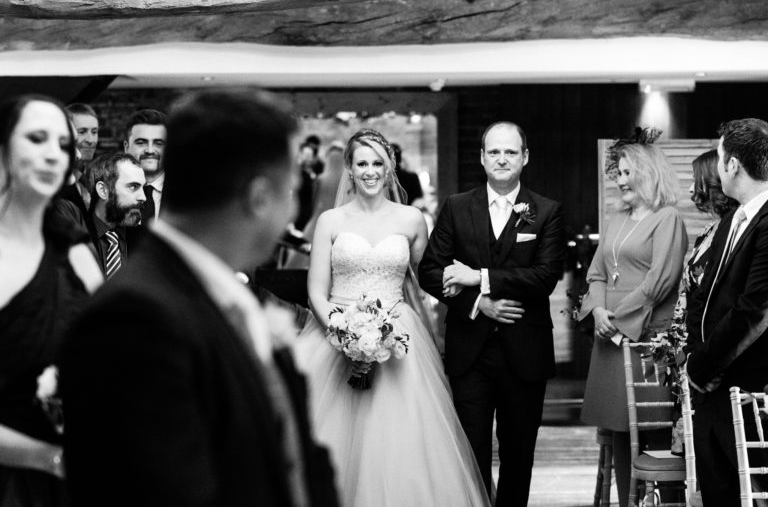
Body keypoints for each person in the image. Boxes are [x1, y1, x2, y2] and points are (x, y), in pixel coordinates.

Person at [60, 89, 339, 507]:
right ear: (259, 197)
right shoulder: (135, 319)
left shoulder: (231, 296)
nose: (291, 209)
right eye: (292, 188)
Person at [294, 128, 490, 507]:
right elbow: (315, 290)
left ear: (390, 168)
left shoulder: (411, 219)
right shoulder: (330, 221)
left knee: (397, 442)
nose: (369, 171)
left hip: (397, 337)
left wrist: (474, 287)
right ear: (349, 169)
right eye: (361, 163)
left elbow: (429, 276)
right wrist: (342, 329)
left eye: (377, 163)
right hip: (335, 334)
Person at [418, 121, 565, 507]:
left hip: (525, 351)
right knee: (470, 452)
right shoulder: (455, 206)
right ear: (482, 158)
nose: (502, 159)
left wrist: (477, 277)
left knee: (519, 455)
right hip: (470, 352)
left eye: (510, 152)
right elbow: (430, 271)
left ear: (525, 157)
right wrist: (477, 301)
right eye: (494, 152)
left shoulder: (546, 212)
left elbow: (544, 277)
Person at [0, 95, 102, 506]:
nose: (51, 155)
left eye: (62, 144)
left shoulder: (73, 247)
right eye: (37, 138)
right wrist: (54, 458)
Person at [578, 129, 688, 507]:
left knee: (654, 431)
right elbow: (595, 274)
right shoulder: (615, 218)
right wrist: (596, 311)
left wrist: (617, 316)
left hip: (646, 342)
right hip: (609, 338)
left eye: (627, 173)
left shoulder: (667, 218)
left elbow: (660, 283)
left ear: (647, 173)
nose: (620, 180)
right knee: (622, 430)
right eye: (617, 174)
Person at [686, 118, 768, 506]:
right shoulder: (733, 218)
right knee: (718, 492)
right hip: (711, 388)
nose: (718, 167)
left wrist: (704, 366)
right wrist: (694, 358)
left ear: (732, 164)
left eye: (719, 158)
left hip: (747, 384)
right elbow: (703, 296)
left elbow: (753, 307)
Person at [679, 149, 738, 312]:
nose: (691, 189)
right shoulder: (706, 231)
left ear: (714, 180)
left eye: (696, 181)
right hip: (686, 332)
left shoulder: (736, 230)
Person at [83, 152, 146, 279]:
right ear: (103, 190)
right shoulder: (77, 235)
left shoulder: (145, 242)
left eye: (143, 188)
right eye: (133, 187)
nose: (143, 197)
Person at [123, 108, 166, 223]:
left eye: (158, 143)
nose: (150, 150)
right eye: (141, 143)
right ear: (126, 147)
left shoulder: (190, 195)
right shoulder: (110, 194)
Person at [58, 103, 99, 219]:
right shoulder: (55, 183)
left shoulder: (99, 178)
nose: (91, 140)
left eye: (94, 132)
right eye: (82, 132)